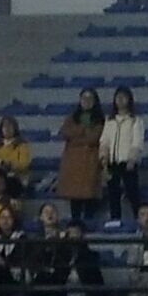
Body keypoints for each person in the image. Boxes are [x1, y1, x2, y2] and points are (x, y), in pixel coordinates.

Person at [57, 89, 104, 224]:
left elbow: (94, 138)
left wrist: (75, 138)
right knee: (74, 198)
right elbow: (65, 132)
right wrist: (83, 130)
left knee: (89, 196)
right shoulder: (72, 117)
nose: (86, 101)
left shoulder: (100, 119)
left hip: (90, 161)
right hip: (73, 163)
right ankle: (75, 224)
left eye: (90, 99)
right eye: (84, 98)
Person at [99, 85, 144, 224]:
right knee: (113, 194)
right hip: (112, 163)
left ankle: (139, 219)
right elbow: (105, 140)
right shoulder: (110, 120)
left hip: (127, 162)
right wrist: (104, 156)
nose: (120, 100)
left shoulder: (135, 120)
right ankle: (115, 221)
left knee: (132, 193)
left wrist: (132, 159)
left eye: (123, 97)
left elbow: (137, 141)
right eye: (118, 97)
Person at [0, 115, 30, 199]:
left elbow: (24, 164)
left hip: (17, 177)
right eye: (4, 126)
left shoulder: (22, 145)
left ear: (15, 128)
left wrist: (9, 165)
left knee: (10, 182)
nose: (7, 129)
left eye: (10, 126)